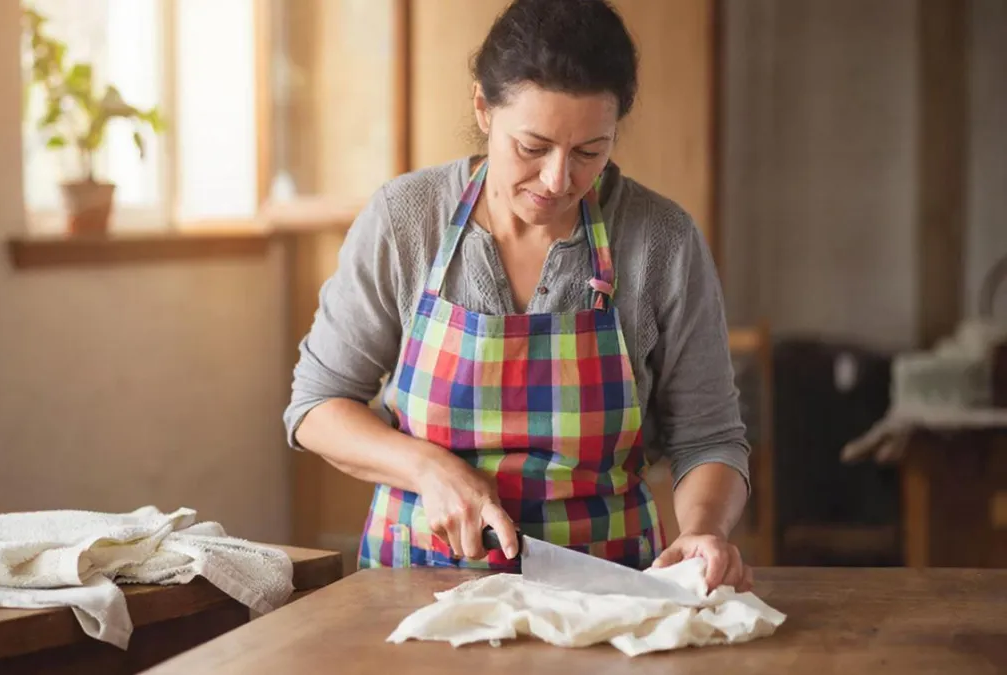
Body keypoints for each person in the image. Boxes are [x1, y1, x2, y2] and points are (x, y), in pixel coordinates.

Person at [283, 0, 753, 592]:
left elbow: (709, 436)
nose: (558, 180)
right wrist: (428, 468)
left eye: (589, 152)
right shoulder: (407, 220)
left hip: (608, 589)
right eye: (533, 147)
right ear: (483, 108)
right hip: (417, 589)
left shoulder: (662, 239)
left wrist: (704, 530)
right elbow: (317, 407)